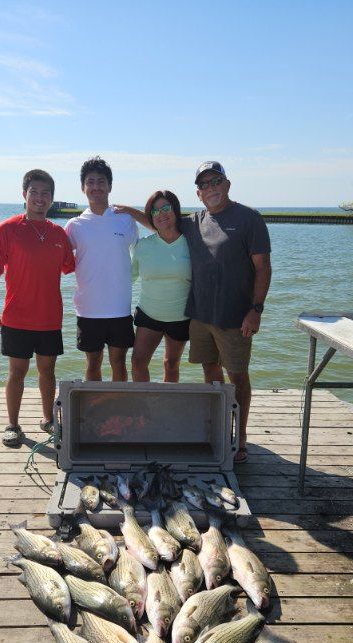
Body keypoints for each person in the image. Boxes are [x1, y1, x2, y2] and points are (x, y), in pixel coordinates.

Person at [116, 161, 271, 462]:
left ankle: (240, 438)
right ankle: (214, 427)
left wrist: (256, 310)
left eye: (216, 181)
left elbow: (263, 268)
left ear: (227, 184)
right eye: (205, 184)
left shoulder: (249, 218)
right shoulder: (195, 222)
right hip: (200, 315)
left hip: (235, 316)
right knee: (210, 372)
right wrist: (131, 213)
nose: (211, 188)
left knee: (238, 376)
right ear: (198, 194)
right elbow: (162, 225)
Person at [0, 168, 75, 447]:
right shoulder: (8, 229)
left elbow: (70, 265)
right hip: (16, 317)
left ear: (52, 199)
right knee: (17, 373)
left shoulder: (59, 233)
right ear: (24, 195)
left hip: (49, 318)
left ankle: (48, 420)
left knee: (48, 372)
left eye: (45, 193)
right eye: (34, 192)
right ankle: (13, 424)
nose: (39, 198)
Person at [65, 156, 138, 381]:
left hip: (120, 308)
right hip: (88, 309)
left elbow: (139, 256)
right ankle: (93, 411)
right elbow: (58, 259)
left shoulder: (125, 220)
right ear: (83, 187)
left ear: (110, 186)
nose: (96, 187)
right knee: (92, 364)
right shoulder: (74, 226)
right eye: (90, 182)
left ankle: (119, 411)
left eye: (101, 181)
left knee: (119, 363)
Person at [130, 190, 191, 382]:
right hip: (149, 315)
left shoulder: (192, 242)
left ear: (175, 210)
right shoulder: (142, 246)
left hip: (181, 317)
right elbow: (127, 279)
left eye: (166, 208)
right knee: (138, 363)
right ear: (150, 217)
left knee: (171, 365)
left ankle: (168, 408)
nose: (161, 213)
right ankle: (144, 410)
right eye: (155, 211)